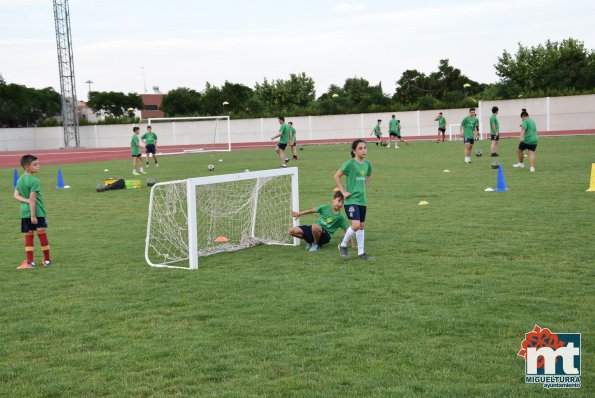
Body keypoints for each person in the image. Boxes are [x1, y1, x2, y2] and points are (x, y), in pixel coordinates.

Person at [335, 139, 373, 260]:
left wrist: (364, 187)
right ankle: (343, 245)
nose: (363, 150)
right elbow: (337, 175)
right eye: (360, 148)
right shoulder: (350, 164)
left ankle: (361, 253)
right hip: (351, 200)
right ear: (354, 151)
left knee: (361, 226)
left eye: (365, 148)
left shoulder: (367, 164)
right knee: (355, 225)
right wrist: (343, 191)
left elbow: (369, 175)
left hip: (362, 200)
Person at [13, 154, 52, 269]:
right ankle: (47, 260)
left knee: (29, 235)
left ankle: (30, 262)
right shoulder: (34, 181)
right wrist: (33, 215)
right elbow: (33, 200)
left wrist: (26, 201)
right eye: (35, 165)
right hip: (37, 212)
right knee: (42, 233)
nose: (39, 166)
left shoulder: (20, 179)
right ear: (27, 167)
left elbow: (15, 195)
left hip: (25, 212)